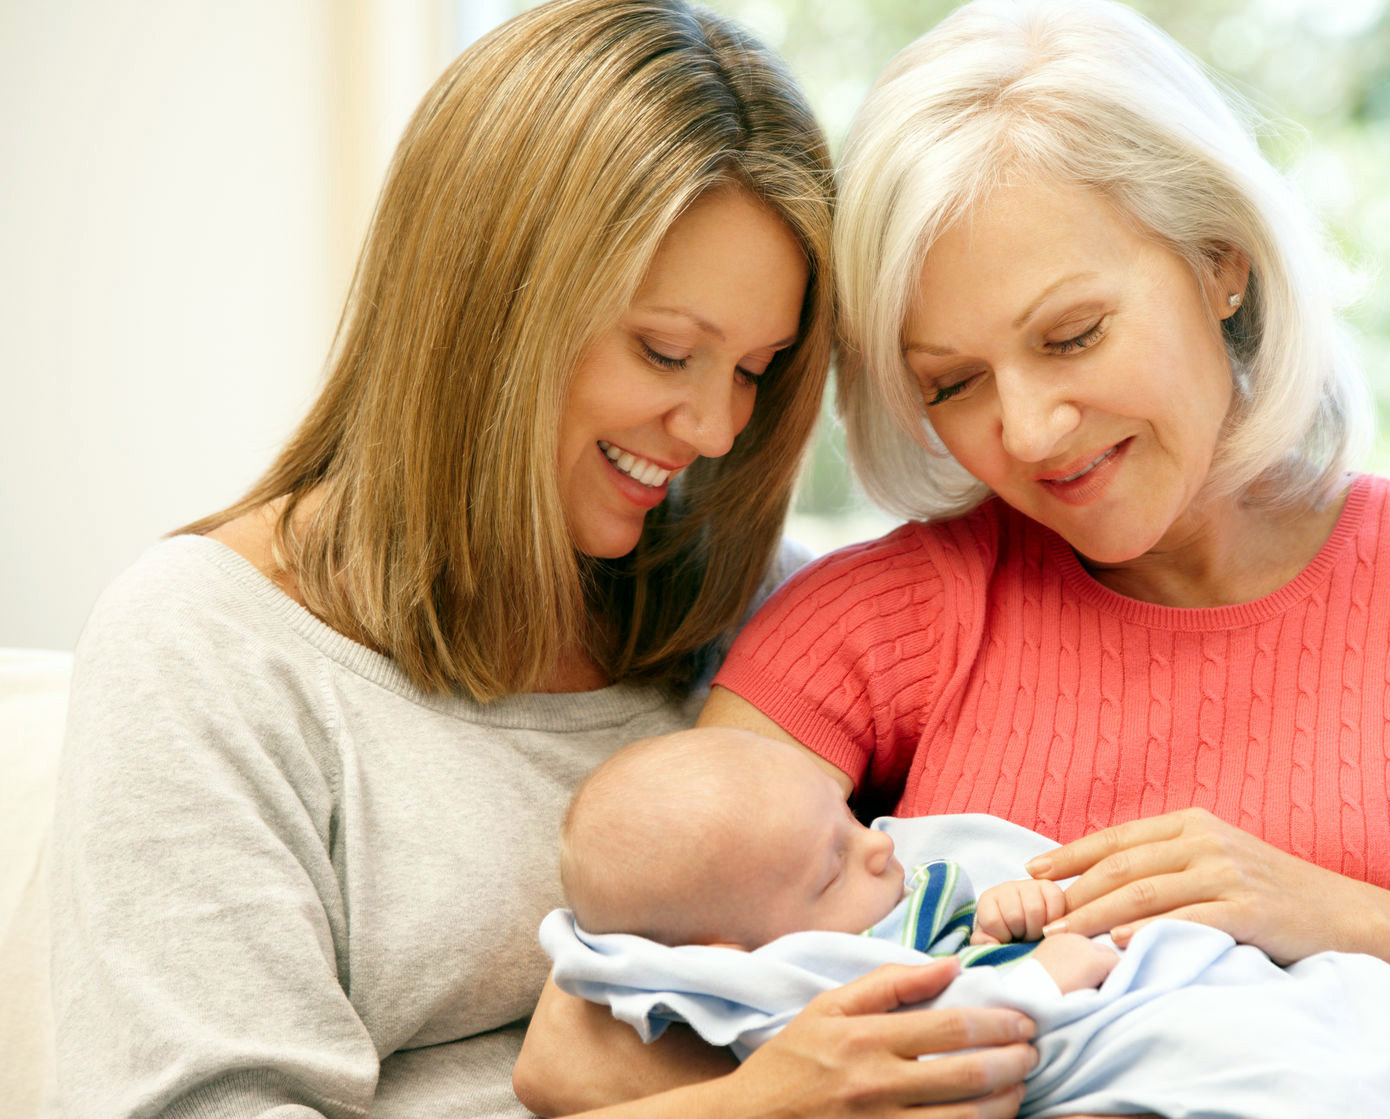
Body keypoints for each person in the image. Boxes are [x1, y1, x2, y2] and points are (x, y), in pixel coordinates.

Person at [517, 1, 1390, 1116]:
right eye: (951, 384)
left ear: (1221, 262)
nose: (1025, 433)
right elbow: (583, 1046)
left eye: (1070, 335)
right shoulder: (875, 620)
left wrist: (1351, 924)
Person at [45, 3, 1045, 1117]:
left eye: (756, 370)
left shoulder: (766, 620)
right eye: (666, 350)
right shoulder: (209, 653)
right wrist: (746, 1107)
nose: (716, 430)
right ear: (490, 307)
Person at [543, 727, 1390, 1118]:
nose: (878, 845)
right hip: (1114, 1039)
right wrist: (1047, 965)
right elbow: (959, 1017)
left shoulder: (876, 874)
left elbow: (1000, 887)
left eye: (850, 816)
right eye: (834, 862)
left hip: (1194, 973)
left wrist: (1025, 904)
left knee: (1361, 1012)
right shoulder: (792, 973)